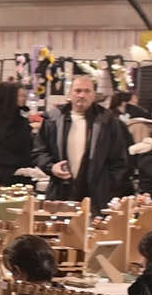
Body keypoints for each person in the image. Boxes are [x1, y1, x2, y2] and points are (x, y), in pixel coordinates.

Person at [32, 74, 128, 212]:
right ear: (70, 93)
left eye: (87, 91)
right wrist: (51, 167)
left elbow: (120, 160)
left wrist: (108, 186)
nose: (82, 95)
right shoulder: (53, 119)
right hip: (60, 192)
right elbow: (39, 151)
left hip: (97, 198)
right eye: (78, 91)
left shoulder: (108, 121)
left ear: (94, 95)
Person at [0, 81, 34, 186]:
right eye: (21, 96)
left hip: (17, 168)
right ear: (12, 97)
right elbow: (15, 143)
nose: (24, 99)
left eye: (25, 96)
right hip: (11, 170)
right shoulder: (7, 119)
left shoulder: (17, 117)